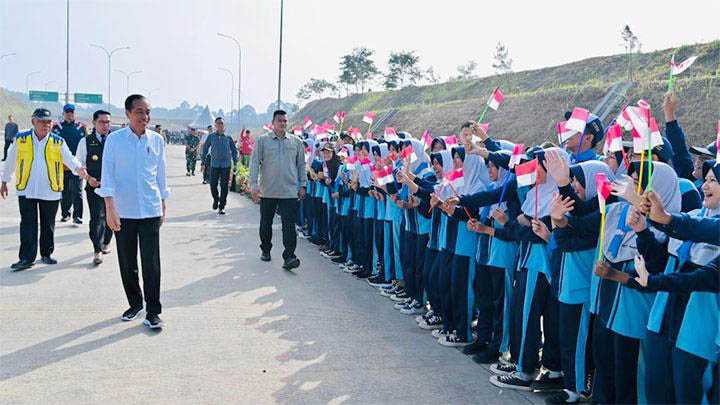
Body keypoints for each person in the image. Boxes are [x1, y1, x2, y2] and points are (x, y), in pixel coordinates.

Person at [95, 94, 169, 329]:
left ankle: (153, 311)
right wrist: (109, 208)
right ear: (127, 113)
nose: (144, 117)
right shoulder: (115, 141)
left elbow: (160, 175)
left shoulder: (156, 140)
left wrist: (163, 203)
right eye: (139, 111)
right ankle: (135, 303)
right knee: (127, 262)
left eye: (147, 112)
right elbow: (107, 176)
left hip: (150, 210)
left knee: (152, 263)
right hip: (123, 211)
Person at [1, 108, 87, 271]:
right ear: (33, 121)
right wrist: (4, 181)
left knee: (48, 224)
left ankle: (46, 254)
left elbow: (70, 158)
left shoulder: (57, 141)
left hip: (50, 190)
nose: (45, 125)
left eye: (48, 122)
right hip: (27, 189)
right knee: (28, 224)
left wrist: (80, 169)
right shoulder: (21, 139)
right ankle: (26, 258)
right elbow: (10, 161)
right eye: (41, 121)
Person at [249, 109, 306, 270]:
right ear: (273, 123)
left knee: (289, 225)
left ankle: (289, 256)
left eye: (285, 121)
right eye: (279, 120)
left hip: (289, 191)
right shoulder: (262, 141)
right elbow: (254, 163)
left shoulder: (296, 142)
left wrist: (303, 185)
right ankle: (265, 250)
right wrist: (253, 185)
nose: (283, 123)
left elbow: (301, 165)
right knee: (266, 223)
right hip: (268, 190)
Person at [75, 110, 114, 265]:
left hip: (113, 188)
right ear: (94, 123)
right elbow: (78, 164)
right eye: (102, 122)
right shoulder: (85, 141)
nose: (105, 125)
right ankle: (97, 250)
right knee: (97, 218)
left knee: (111, 216)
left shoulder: (115, 140)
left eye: (108, 122)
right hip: (94, 186)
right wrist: (88, 178)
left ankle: (106, 242)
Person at [53, 103, 87, 225]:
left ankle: (77, 216)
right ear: (63, 114)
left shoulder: (81, 128)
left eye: (71, 112)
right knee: (65, 191)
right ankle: (65, 214)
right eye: (67, 112)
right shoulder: (56, 128)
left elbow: (85, 145)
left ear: (74, 114)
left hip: (77, 165)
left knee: (77, 191)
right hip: (62, 166)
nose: (69, 114)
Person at [202, 117, 238, 215]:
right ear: (215, 125)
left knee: (224, 186)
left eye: (221, 123)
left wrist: (235, 161)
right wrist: (203, 161)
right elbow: (205, 148)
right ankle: (216, 199)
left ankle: (222, 206)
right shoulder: (211, 137)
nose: (220, 125)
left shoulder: (228, 137)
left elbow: (234, 151)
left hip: (226, 165)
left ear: (224, 125)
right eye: (218, 123)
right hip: (214, 164)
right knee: (213, 184)